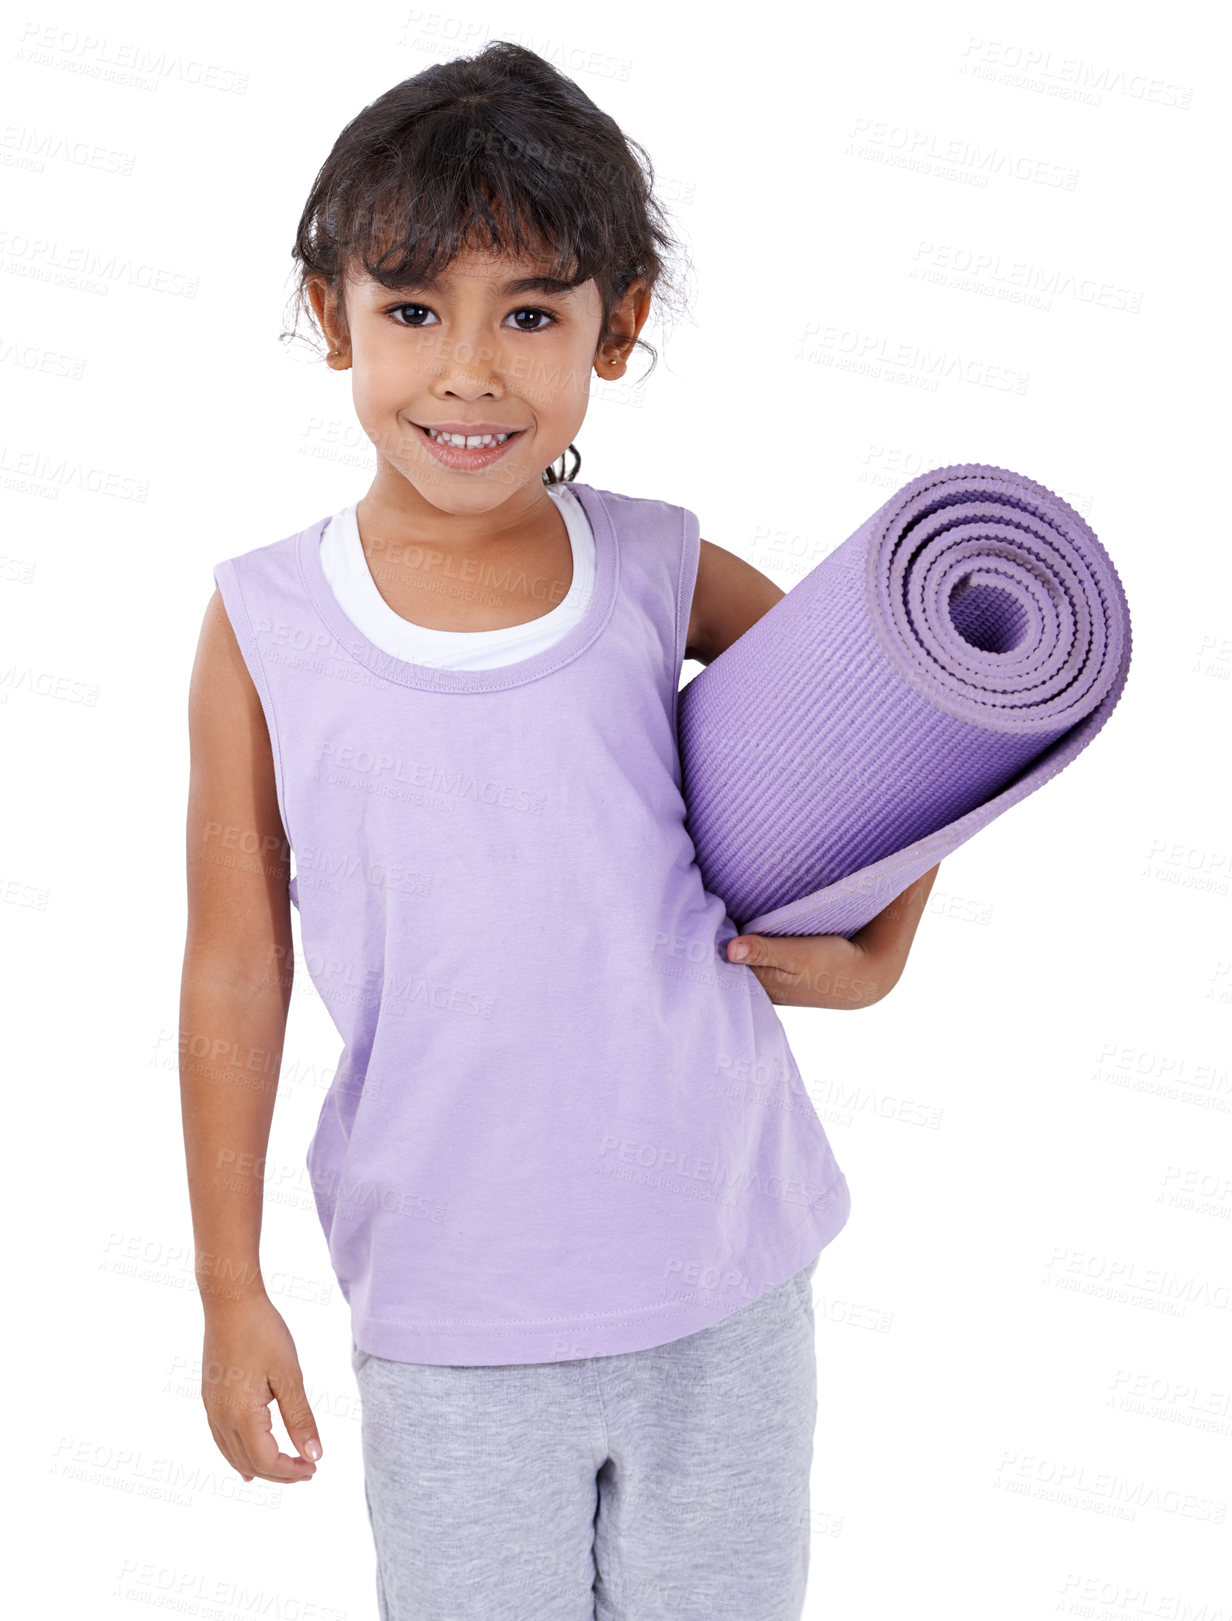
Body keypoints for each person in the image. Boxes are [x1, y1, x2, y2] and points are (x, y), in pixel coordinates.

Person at [179, 38, 938, 1621]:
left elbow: (908, 719)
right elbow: (236, 968)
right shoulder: (266, 621)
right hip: (456, 1313)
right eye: (412, 310)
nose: (471, 369)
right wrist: (229, 1284)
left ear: (620, 323)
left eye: (532, 313)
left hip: (723, 1279)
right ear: (331, 317)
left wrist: (881, 948)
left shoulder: (658, 568)